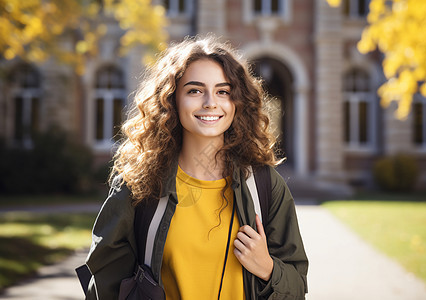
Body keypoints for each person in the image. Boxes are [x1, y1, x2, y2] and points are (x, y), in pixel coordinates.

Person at [84, 36, 308, 299]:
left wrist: (269, 269)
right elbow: (104, 282)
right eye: (195, 90)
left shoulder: (264, 185)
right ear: (171, 100)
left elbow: (297, 286)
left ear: (236, 102)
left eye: (223, 91)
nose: (210, 102)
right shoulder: (139, 183)